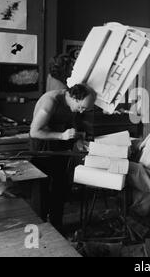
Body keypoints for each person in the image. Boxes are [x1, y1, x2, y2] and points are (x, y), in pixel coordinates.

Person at [30, 84, 96, 230]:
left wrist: (77, 140)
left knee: (60, 187)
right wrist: (61, 136)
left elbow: (71, 122)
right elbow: (34, 132)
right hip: (43, 148)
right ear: (73, 97)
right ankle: (39, 229)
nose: (82, 111)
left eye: (85, 109)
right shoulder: (50, 102)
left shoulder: (72, 102)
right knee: (41, 191)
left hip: (60, 145)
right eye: (81, 107)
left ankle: (56, 227)